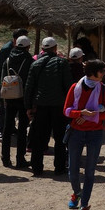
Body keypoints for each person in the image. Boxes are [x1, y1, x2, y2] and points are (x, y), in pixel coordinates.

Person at [65, 60, 105, 210]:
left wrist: (87, 115)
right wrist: (81, 113)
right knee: (72, 169)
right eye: (102, 71)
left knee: (90, 172)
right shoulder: (75, 87)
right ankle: (77, 194)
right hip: (76, 133)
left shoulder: (104, 90)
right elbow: (67, 110)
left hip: (95, 133)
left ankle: (84, 205)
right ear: (93, 72)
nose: (104, 74)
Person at [25, 36, 72, 176]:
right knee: (59, 138)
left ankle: (36, 167)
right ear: (55, 48)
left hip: (41, 106)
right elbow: (68, 86)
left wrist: (28, 106)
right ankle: (59, 167)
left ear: (42, 49)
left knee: (39, 137)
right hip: (59, 106)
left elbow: (29, 87)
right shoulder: (62, 63)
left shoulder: (35, 64)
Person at [0, 35, 34, 169]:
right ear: (28, 47)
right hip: (23, 98)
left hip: (9, 97)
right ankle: (20, 159)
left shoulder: (7, 60)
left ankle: (5, 158)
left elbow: (3, 79)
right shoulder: (29, 60)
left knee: (7, 129)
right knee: (22, 129)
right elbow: (30, 82)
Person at [0, 29, 29, 138]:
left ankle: (11, 128)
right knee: (4, 107)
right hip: (7, 83)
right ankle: (1, 128)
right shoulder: (7, 49)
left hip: (16, 83)